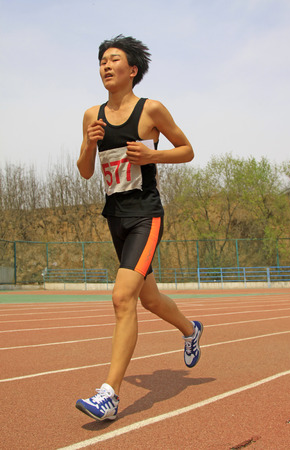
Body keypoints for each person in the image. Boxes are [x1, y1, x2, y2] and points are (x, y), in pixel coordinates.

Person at [75, 35, 203, 422]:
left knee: (122, 297)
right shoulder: (91, 115)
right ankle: (190, 329)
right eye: (101, 61)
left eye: (114, 60)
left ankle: (109, 394)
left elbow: (188, 150)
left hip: (147, 214)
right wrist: (87, 144)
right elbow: (84, 171)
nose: (105, 66)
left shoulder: (152, 110)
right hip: (115, 216)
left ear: (132, 70)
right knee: (148, 298)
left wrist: (152, 154)